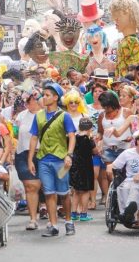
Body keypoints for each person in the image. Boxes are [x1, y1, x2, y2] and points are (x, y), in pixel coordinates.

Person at [28, 83, 76, 237]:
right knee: (48, 193)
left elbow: (72, 136)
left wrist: (69, 154)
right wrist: (30, 160)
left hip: (61, 161)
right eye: (44, 94)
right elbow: (34, 137)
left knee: (64, 192)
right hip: (43, 160)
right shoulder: (38, 116)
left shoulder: (64, 116)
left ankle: (69, 221)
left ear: (56, 98)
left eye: (48, 95)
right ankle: (54, 225)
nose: (44, 97)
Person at [15, 87, 43, 230]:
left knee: (42, 186)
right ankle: (33, 218)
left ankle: (48, 213)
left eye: (30, 99)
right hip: (23, 154)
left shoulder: (47, 115)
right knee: (31, 186)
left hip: (44, 154)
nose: (27, 102)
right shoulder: (21, 116)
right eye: (26, 100)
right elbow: (15, 133)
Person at [70, 118, 98, 222]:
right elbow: (95, 152)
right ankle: (83, 213)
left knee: (76, 191)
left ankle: (73, 213)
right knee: (85, 191)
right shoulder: (89, 140)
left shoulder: (75, 138)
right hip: (86, 167)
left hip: (75, 166)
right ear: (90, 128)